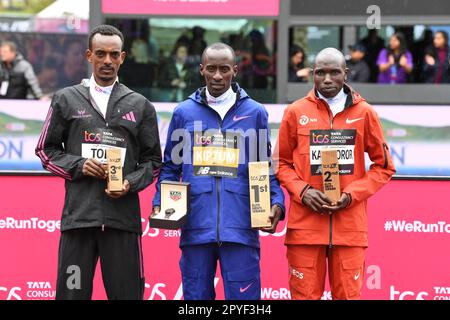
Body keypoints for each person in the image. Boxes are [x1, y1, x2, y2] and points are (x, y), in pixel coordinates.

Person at [35, 24, 162, 300]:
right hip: (78, 221)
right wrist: (79, 165)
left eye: (114, 54)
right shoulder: (65, 99)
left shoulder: (140, 105)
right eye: (101, 53)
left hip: (122, 223)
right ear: (89, 55)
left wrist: (129, 183)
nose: (107, 61)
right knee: (71, 296)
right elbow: (46, 151)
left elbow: (153, 162)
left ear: (123, 58)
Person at [152, 42, 285, 300]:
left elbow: (264, 167)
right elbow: (170, 168)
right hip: (196, 227)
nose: (217, 76)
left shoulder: (255, 113)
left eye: (224, 69)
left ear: (235, 70)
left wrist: (276, 202)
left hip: (241, 227)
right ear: (201, 69)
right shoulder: (184, 113)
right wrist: (162, 203)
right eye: (211, 69)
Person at [275, 48, 395, 300]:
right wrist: (303, 191)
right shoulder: (295, 112)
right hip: (305, 229)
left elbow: (384, 167)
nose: (327, 79)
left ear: (346, 74)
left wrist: (351, 195)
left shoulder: (365, 113)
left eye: (334, 72)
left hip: (349, 228)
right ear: (312, 74)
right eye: (320, 73)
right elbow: (280, 163)